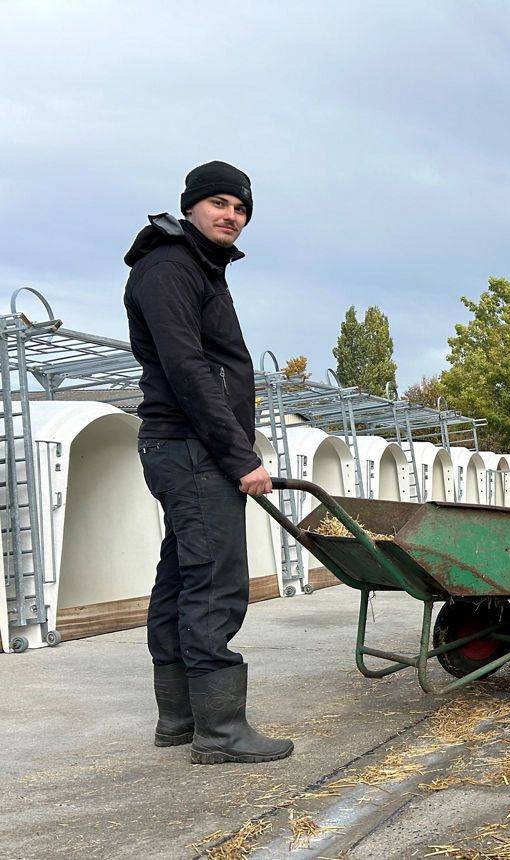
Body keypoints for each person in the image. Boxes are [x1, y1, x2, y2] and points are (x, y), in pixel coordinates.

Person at [123, 160, 293, 765]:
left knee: (182, 577)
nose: (232, 216)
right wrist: (239, 456)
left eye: (241, 208)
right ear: (191, 205)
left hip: (184, 448)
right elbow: (189, 370)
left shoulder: (194, 266)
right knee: (216, 583)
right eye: (220, 203)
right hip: (193, 450)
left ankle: (180, 719)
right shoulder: (171, 266)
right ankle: (220, 731)